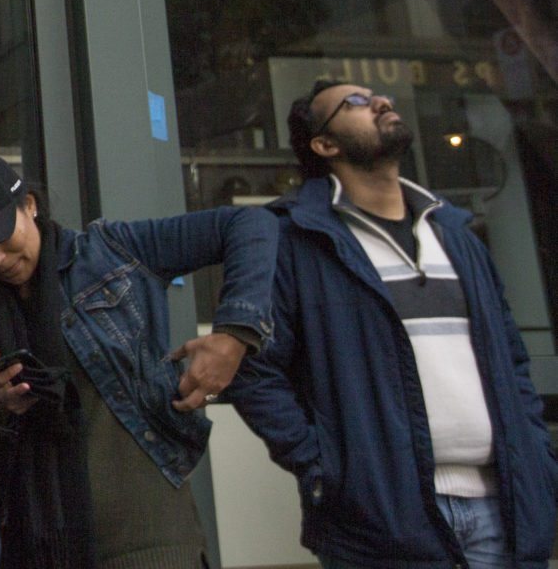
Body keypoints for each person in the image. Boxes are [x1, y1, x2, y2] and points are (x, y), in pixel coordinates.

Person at [226, 80, 558, 569]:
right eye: (355, 103)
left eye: (379, 96)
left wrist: (537, 458)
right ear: (325, 144)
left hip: (505, 512)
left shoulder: (456, 235)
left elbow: (511, 360)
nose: (381, 102)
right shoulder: (296, 240)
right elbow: (254, 370)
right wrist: (327, 470)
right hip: (385, 526)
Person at [0, 151, 276, 569]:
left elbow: (252, 225)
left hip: (149, 540)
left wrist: (235, 336)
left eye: (2, 236)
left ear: (31, 206)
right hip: (36, 546)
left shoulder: (111, 253)